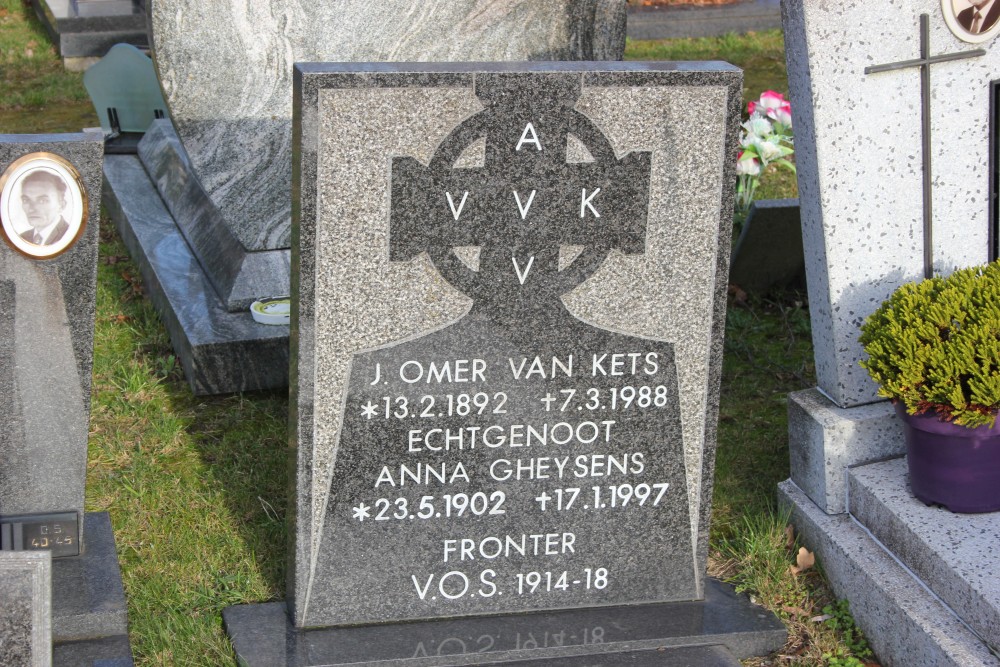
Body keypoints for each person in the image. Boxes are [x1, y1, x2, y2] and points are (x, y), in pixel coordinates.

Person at [17, 170, 70, 246]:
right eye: (26, 200)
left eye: (42, 201)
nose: (32, 208)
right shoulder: (22, 238)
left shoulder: (70, 236)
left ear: (62, 205)